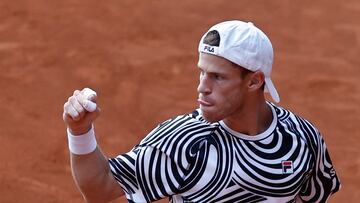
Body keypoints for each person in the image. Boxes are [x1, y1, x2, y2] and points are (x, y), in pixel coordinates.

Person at [63, 20, 341, 203]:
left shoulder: (301, 139)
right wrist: (79, 131)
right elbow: (101, 187)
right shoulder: (183, 141)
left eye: (217, 77)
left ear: (254, 81)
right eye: (202, 73)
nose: (202, 88)